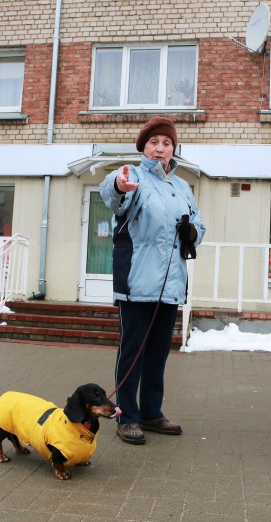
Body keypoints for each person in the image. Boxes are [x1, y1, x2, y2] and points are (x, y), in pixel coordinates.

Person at [99, 117, 205, 445]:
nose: (160, 148)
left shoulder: (182, 186)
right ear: (144, 147)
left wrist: (193, 233)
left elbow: (199, 226)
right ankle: (127, 416)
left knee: (158, 354)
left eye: (166, 143)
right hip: (137, 282)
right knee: (133, 352)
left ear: (173, 149)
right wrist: (119, 183)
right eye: (153, 142)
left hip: (171, 285)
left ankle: (151, 412)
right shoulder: (134, 175)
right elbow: (112, 195)